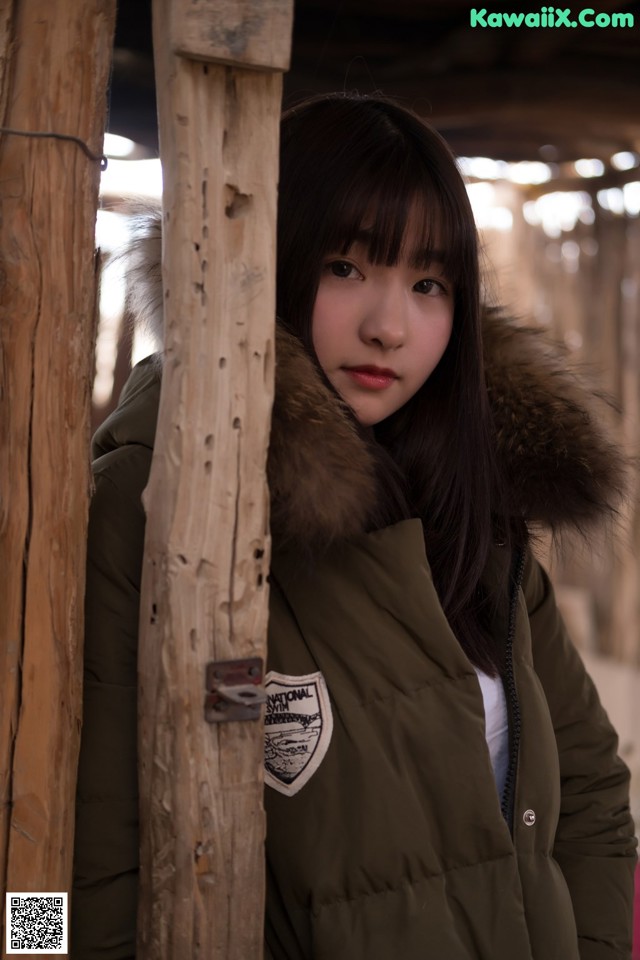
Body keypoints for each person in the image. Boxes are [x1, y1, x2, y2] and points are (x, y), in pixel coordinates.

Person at [72, 93, 637, 959]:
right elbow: (69, 876)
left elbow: (592, 791)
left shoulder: (473, 515)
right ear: (269, 262)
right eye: (344, 268)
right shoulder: (143, 507)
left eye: (427, 285)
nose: (389, 326)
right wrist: (26, 939)